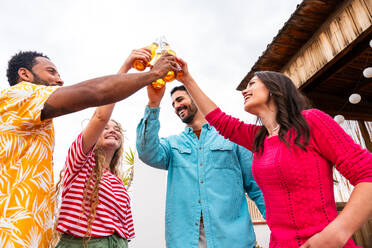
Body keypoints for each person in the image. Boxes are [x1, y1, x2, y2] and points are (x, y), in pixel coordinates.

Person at [176, 59, 372, 248]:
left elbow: (368, 174)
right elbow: (220, 121)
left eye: (252, 83)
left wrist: (338, 231)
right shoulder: (259, 139)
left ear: (273, 88)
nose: (244, 90)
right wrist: (187, 79)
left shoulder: (311, 122)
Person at [0, 49, 177, 248]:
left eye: (116, 129)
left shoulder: (35, 122)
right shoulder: (18, 95)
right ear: (25, 74)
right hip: (12, 231)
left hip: (33, 235)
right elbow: (97, 95)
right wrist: (152, 73)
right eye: (51, 72)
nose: (60, 81)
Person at [136, 84, 265, 248]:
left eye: (180, 99)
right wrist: (153, 103)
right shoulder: (171, 144)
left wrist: (281, 226)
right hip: (186, 242)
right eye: (173, 104)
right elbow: (146, 152)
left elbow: (257, 187)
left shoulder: (232, 138)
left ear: (195, 97)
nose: (176, 106)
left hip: (233, 240)